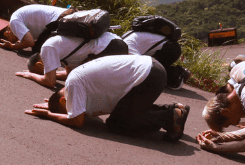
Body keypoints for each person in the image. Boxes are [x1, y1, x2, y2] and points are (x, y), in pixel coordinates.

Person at [26, 55, 189, 141]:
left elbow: (77, 121)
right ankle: (173, 111)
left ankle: (169, 117)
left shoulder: (73, 85)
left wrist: (48, 115)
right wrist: (61, 109)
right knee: (121, 112)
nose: (72, 111)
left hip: (149, 75)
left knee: (117, 123)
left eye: (67, 109)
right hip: (149, 69)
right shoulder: (74, 85)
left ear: (63, 100)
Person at [17, 29, 128, 89]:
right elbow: (69, 74)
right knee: (80, 78)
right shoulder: (64, 52)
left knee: (88, 82)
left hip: (108, 48)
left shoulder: (47, 48)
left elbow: (50, 81)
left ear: (39, 65)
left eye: (42, 71)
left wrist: (31, 75)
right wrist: (44, 75)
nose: (45, 73)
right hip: (117, 43)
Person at [0, 4, 70, 52]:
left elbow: (30, 42)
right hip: (65, 15)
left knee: (38, 49)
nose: (17, 40)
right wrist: (23, 43)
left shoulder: (14, 22)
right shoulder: (17, 18)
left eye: (13, 40)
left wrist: (12, 46)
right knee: (38, 46)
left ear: (7, 33)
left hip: (62, 19)